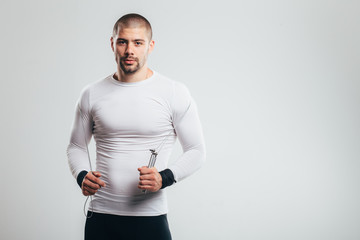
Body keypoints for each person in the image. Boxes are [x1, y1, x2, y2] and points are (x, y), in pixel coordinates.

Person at [67, 13, 206, 240]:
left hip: (150, 218)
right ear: (112, 43)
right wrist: (81, 175)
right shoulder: (91, 93)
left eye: (137, 42)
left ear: (150, 46)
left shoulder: (173, 92)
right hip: (101, 215)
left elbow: (197, 150)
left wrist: (165, 177)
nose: (129, 50)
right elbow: (76, 145)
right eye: (123, 41)